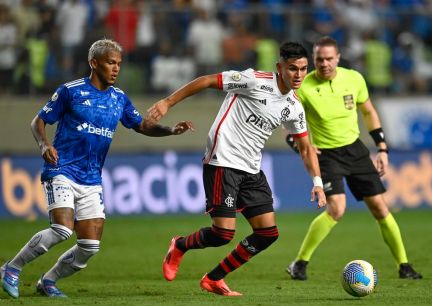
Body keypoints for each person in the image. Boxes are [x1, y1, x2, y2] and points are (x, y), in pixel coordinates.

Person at [0, 39, 193, 299]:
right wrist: (44, 145)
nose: (116, 69)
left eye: (119, 64)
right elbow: (38, 121)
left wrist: (170, 130)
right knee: (62, 229)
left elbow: (141, 126)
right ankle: (11, 269)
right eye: (110, 63)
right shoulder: (71, 91)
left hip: (91, 178)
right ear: (94, 63)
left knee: (89, 246)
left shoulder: (119, 98)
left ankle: (48, 281)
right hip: (62, 169)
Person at [149, 42, 327, 296]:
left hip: (251, 167)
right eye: (292, 68)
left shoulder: (294, 106)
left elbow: (306, 147)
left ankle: (214, 278)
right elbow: (208, 80)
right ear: (279, 67)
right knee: (223, 233)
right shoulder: (253, 80)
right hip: (223, 160)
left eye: (303, 69)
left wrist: (318, 184)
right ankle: (179, 245)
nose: (298, 75)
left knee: (267, 233)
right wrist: (168, 102)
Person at [285, 36, 422, 281]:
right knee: (336, 209)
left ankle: (404, 266)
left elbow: (368, 111)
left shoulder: (354, 79)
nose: (324, 64)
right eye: (319, 59)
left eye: (329, 59)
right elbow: (290, 128)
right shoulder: (303, 87)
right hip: (326, 155)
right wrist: (301, 148)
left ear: (338, 58)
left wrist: (381, 148)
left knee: (381, 208)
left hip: (355, 150)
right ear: (313, 60)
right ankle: (299, 263)